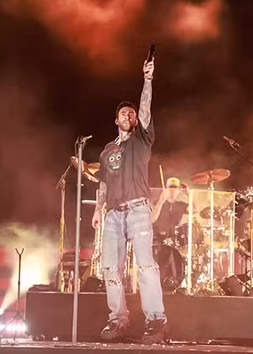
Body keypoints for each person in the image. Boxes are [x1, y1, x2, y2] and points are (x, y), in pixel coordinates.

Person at [91, 56, 167, 343]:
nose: (129, 116)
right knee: (111, 268)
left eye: (132, 114)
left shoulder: (142, 139)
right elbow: (103, 182)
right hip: (112, 213)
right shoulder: (107, 150)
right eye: (124, 113)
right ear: (116, 119)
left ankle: (156, 319)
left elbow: (145, 109)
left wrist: (147, 79)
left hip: (137, 208)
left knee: (145, 266)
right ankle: (118, 319)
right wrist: (99, 209)